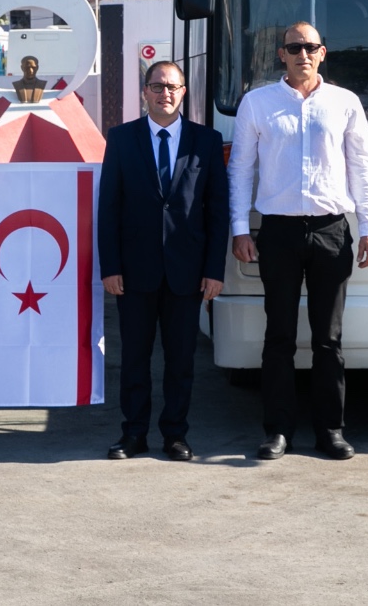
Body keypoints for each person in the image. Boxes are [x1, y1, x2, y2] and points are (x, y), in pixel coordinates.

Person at [228, 22, 368, 461]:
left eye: (310, 47)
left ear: (323, 52)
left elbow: (362, 170)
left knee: (328, 340)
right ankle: (277, 431)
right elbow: (239, 170)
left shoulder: (344, 103)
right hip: (277, 232)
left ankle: (331, 430)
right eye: (294, 47)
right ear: (282, 54)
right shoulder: (257, 104)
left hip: (332, 231)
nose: (303, 54)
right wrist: (240, 228)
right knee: (278, 337)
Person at [98, 60, 227, 461]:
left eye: (172, 87)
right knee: (134, 360)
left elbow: (217, 210)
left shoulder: (206, 141)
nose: (164, 93)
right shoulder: (121, 139)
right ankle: (133, 434)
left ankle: (175, 435)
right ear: (144, 92)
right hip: (134, 273)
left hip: (187, 273)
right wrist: (110, 266)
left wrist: (213, 270)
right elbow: (109, 208)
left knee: (181, 361)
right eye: (157, 86)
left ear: (183, 92)